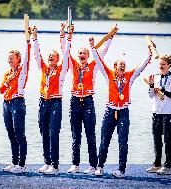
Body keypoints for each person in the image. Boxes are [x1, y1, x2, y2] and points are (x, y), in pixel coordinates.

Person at [90, 37, 152, 178]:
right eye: (121, 64)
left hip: (123, 111)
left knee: (123, 142)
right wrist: (93, 47)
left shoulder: (130, 76)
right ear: (115, 66)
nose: (123, 66)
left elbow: (141, 66)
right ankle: (99, 167)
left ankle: (121, 170)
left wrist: (149, 54)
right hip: (110, 111)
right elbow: (98, 61)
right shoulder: (108, 74)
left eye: (124, 64)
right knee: (104, 140)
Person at [60, 22, 117, 175]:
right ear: (78, 56)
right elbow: (65, 50)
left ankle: (93, 165)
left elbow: (103, 52)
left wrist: (110, 37)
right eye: (80, 53)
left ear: (88, 55)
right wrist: (64, 32)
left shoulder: (94, 65)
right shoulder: (72, 65)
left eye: (85, 53)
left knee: (90, 135)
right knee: (75, 135)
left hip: (88, 102)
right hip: (74, 102)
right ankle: (75, 164)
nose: (82, 55)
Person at [31, 25, 72, 175]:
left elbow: (67, 53)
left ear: (57, 59)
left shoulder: (62, 69)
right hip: (43, 101)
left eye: (53, 57)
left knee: (53, 133)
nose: (50, 58)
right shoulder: (44, 68)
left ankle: (55, 166)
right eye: (49, 56)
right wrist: (34, 37)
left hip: (55, 102)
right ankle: (47, 162)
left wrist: (68, 37)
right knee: (44, 132)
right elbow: (36, 54)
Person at [0, 29, 31, 174]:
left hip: (17, 102)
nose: (9, 60)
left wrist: (28, 42)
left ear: (18, 59)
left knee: (19, 134)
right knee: (10, 134)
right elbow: (0, 90)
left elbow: (27, 58)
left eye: (12, 58)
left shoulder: (22, 70)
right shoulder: (7, 72)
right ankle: (14, 162)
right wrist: (8, 81)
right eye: (8, 58)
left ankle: (22, 164)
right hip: (6, 103)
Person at [146, 55, 171, 175]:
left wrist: (163, 90)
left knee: (168, 140)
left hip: (168, 113)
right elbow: (150, 95)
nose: (161, 66)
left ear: (169, 65)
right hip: (156, 112)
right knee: (156, 140)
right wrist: (151, 85)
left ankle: (168, 166)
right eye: (160, 64)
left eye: (163, 64)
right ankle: (157, 164)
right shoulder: (155, 77)